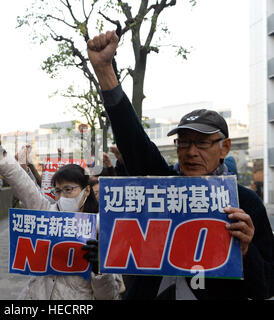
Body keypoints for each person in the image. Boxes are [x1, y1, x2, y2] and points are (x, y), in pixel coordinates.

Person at [87, 30, 274, 300]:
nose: (191, 152)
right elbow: (133, 139)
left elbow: (265, 288)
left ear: (225, 148)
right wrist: (104, 70)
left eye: (202, 143)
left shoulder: (245, 205)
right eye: (184, 143)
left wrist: (245, 252)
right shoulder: (159, 186)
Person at [0, 128, 122, 300]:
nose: (62, 195)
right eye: (58, 190)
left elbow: (109, 296)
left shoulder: (103, 228)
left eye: (69, 189)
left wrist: (99, 267)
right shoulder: (47, 214)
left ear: (86, 191)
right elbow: (23, 184)